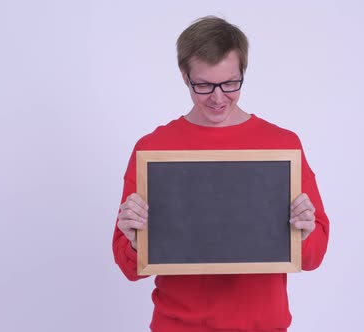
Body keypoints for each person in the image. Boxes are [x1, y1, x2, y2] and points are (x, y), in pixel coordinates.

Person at [112, 16, 330, 332]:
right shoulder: (154, 149)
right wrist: (134, 240)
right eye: (203, 85)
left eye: (230, 84)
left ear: (243, 74)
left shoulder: (282, 146)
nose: (217, 98)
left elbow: (313, 257)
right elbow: (130, 267)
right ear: (184, 77)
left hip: (263, 326)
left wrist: (305, 231)